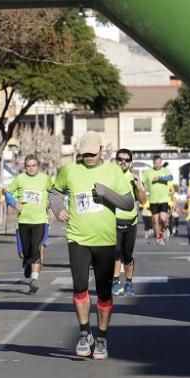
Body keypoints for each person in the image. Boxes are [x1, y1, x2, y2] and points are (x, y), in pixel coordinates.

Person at [49, 131, 135, 360]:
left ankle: (102, 338)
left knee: (104, 292)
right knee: (79, 287)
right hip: (77, 238)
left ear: (101, 151)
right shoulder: (70, 170)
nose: (87, 157)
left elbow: (128, 203)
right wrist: (58, 209)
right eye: (84, 153)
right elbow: (55, 192)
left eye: (91, 153)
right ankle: (84, 332)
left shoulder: (113, 171)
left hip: (106, 241)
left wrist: (106, 193)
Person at [5, 154, 53, 294]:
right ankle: (27, 261)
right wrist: (14, 203)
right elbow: (8, 193)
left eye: (33, 165)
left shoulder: (45, 179)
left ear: (38, 166)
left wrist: (52, 205)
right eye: (28, 166)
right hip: (23, 221)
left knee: (36, 248)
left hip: (40, 220)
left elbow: (53, 193)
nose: (31, 168)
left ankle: (34, 279)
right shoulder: (19, 179)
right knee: (24, 253)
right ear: (25, 167)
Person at [111, 149, 147, 297]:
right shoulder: (109, 177)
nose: (123, 162)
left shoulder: (134, 178)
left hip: (131, 221)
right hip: (113, 220)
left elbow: (144, 201)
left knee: (127, 255)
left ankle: (129, 282)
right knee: (116, 253)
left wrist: (139, 187)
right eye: (120, 159)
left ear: (130, 162)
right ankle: (115, 281)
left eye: (126, 160)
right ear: (116, 160)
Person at [140, 155, 173, 245]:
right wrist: (142, 190)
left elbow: (171, 177)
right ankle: (159, 237)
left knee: (162, 218)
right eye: (156, 163)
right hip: (153, 200)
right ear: (153, 163)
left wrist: (160, 178)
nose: (157, 165)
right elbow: (141, 181)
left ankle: (165, 231)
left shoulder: (165, 170)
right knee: (155, 220)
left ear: (161, 162)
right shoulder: (148, 172)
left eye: (159, 163)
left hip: (163, 199)